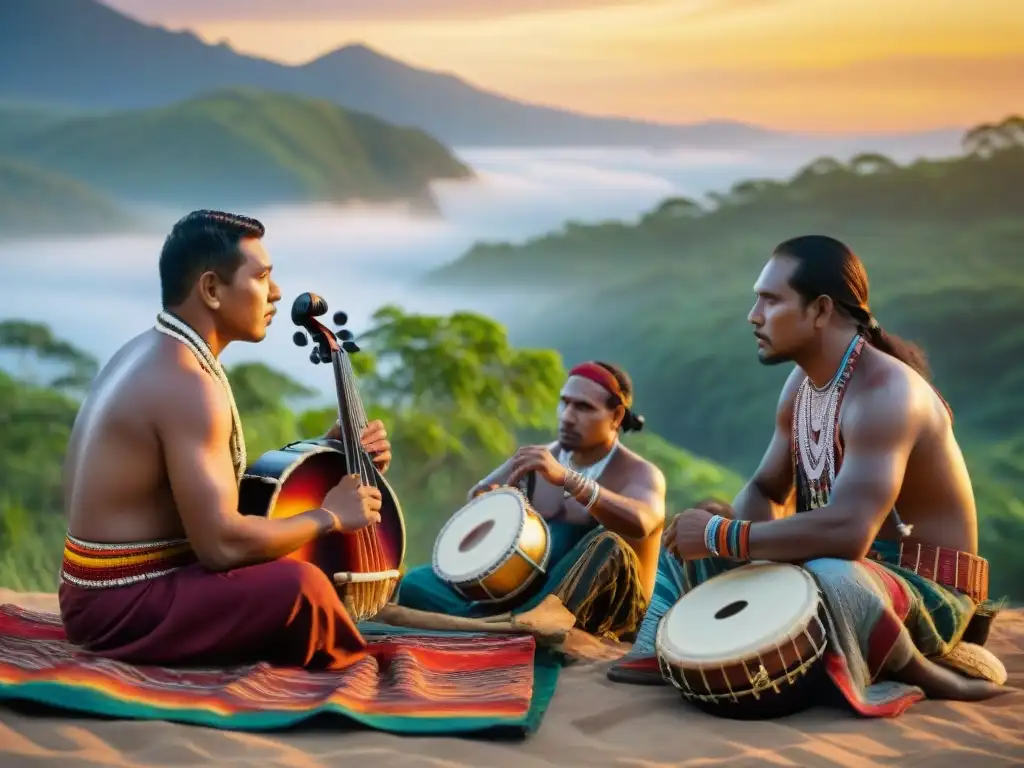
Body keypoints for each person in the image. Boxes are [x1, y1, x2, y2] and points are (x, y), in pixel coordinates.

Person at [608, 234, 1009, 711]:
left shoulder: (887, 393)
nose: (753, 315)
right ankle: (662, 651)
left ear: (820, 310)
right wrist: (732, 539)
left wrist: (728, 538)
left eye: (770, 300)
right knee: (695, 525)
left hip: (925, 593)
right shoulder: (803, 383)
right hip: (838, 566)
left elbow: (849, 533)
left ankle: (931, 675)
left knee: (824, 569)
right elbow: (763, 488)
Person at [59, 209, 393, 671]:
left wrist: (330, 453)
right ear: (212, 290)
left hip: (99, 598)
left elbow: (205, 498)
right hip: (121, 607)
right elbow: (221, 547)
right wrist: (330, 515)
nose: (276, 293)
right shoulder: (185, 381)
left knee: (290, 565)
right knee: (302, 586)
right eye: (262, 277)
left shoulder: (156, 351)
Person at [394, 361, 666, 641]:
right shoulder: (542, 458)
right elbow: (478, 497)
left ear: (617, 416)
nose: (567, 416)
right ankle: (497, 621)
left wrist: (569, 479)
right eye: (565, 403)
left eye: (583, 407)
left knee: (605, 543)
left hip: (606, 610)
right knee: (416, 584)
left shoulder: (640, 474)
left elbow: (642, 521)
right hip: (526, 593)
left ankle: (492, 622)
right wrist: (503, 496)